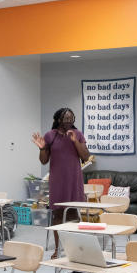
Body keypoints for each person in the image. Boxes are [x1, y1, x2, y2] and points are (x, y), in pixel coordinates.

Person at [31, 107, 89, 255]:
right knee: (57, 214)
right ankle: (57, 249)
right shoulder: (50, 136)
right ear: (58, 120)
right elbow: (44, 161)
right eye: (65, 118)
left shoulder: (78, 134)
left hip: (73, 179)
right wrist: (42, 148)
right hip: (57, 181)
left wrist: (75, 141)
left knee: (73, 214)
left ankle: (75, 249)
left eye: (71, 119)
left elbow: (85, 156)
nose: (68, 121)